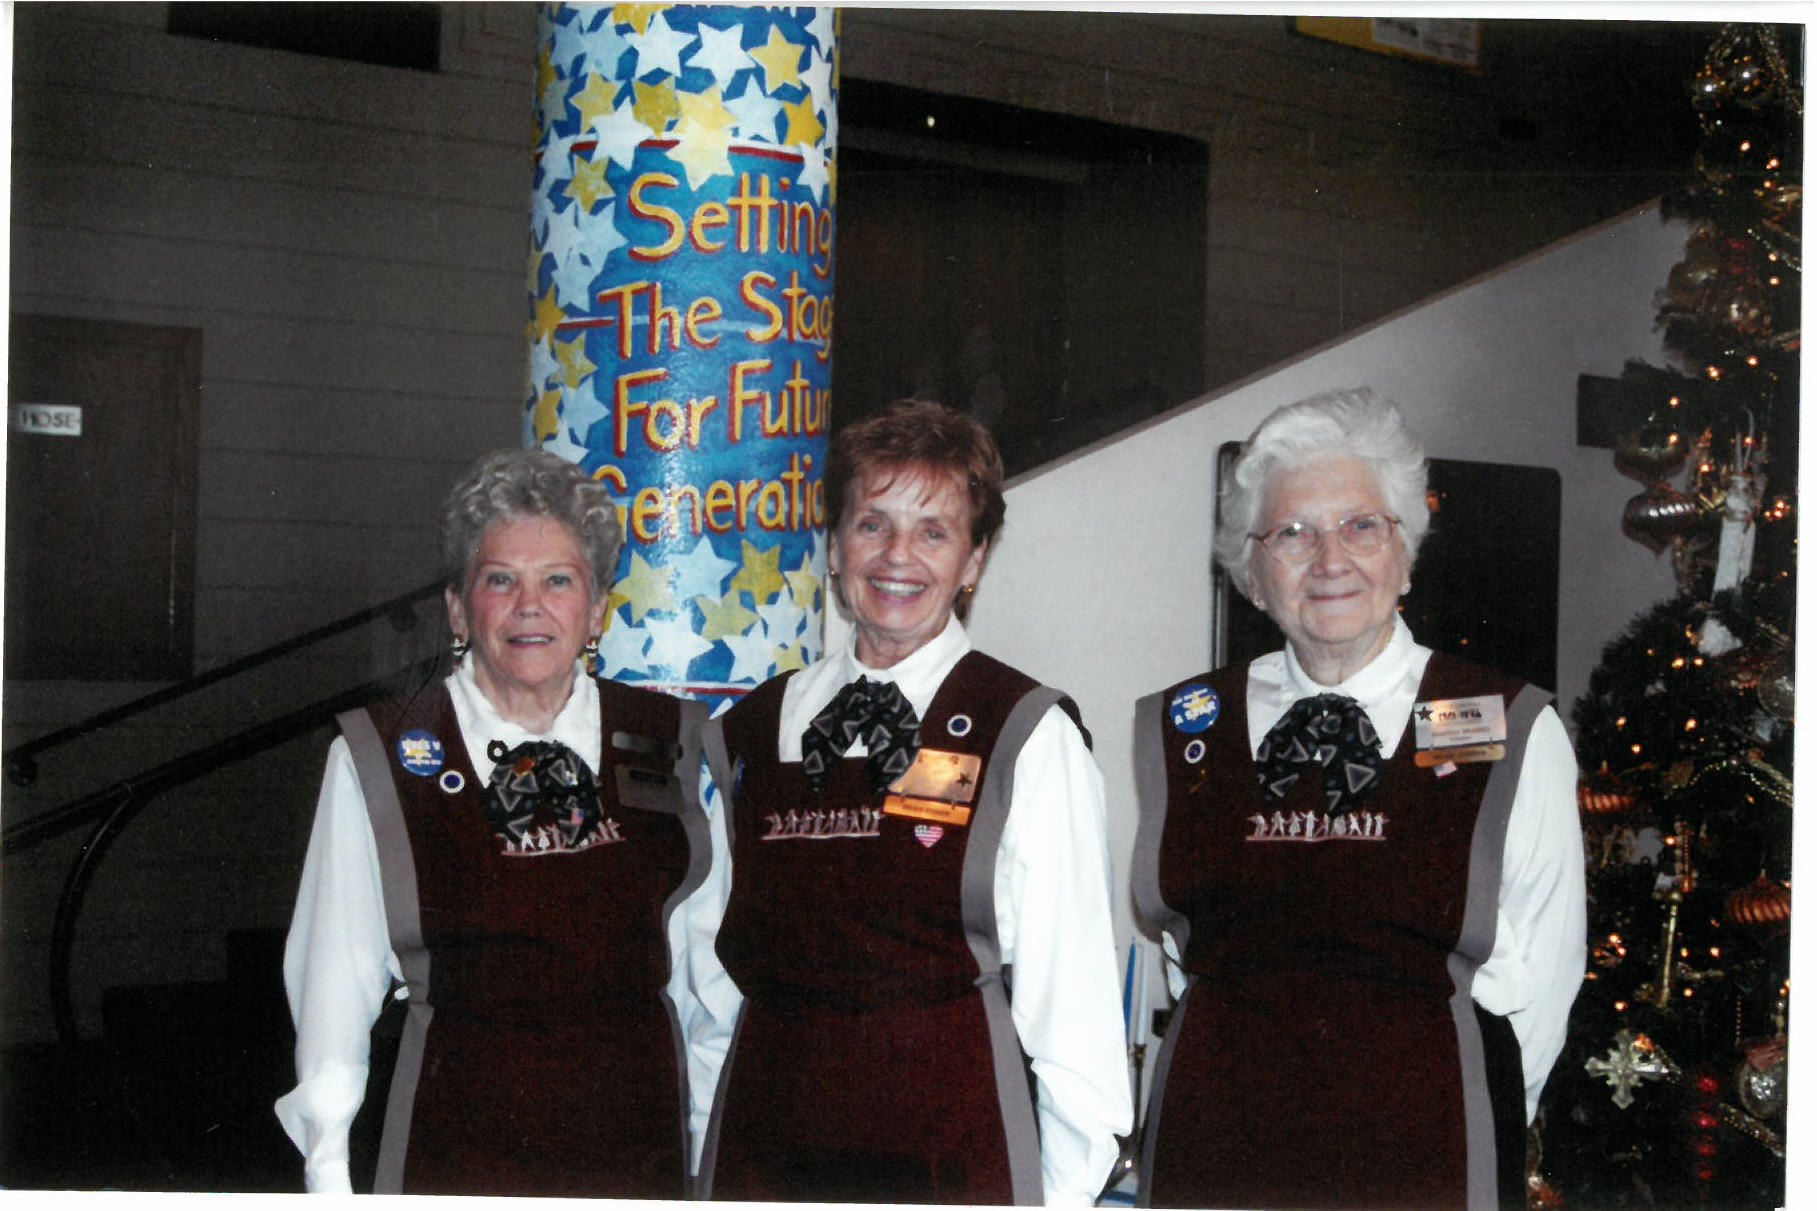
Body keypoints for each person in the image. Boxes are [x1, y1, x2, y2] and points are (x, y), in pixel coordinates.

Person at [1131, 389, 1586, 1210]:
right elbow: (1184, 961)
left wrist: (1473, 1126)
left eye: (1361, 526)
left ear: (1405, 556)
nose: (1329, 559)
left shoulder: (1507, 724)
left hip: (1424, 1155)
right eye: (1292, 533)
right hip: (1214, 1150)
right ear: (1252, 575)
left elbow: (1544, 984)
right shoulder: (1187, 725)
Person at [693, 399, 1132, 1205]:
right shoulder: (750, 732)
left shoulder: (1024, 732)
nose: (898, 555)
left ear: (973, 561)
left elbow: (1074, 1015)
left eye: (933, 531)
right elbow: (712, 990)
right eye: (873, 524)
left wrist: (1061, 1194)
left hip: (950, 1152)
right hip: (765, 1147)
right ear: (834, 546)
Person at [275, 449, 715, 1196]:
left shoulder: (668, 738)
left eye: (559, 580)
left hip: (636, 1148)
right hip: (458, 1144)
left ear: (597, 609)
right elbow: (332, 996)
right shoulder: (381, 754)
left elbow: (707, 984)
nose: (529, 605)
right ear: (458, 608)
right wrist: (329, 1173)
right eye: (500, 579)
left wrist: (705, 1157)